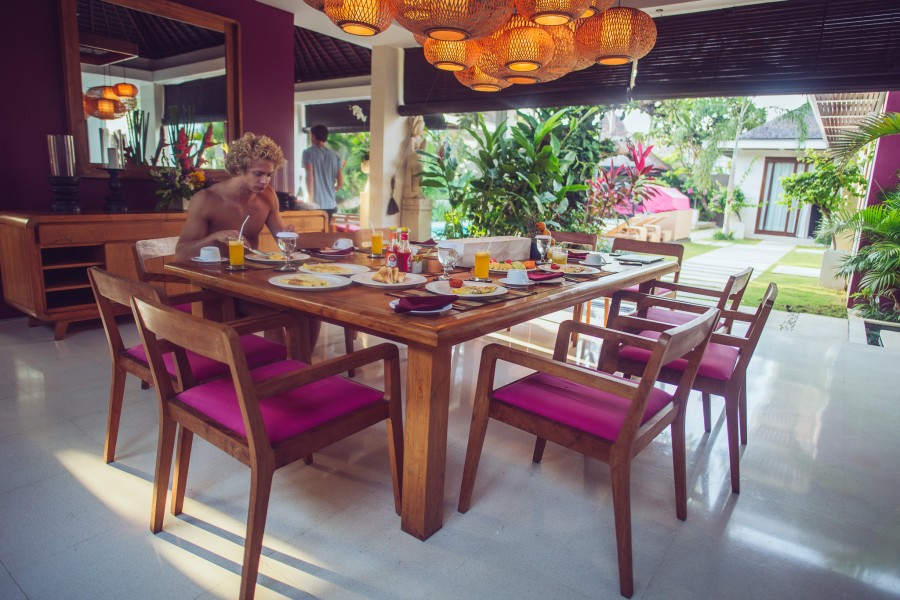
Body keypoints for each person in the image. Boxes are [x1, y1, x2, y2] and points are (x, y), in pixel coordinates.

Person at [175, 132, 294, 261]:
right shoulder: (206, 200)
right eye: (258, 174)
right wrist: (215, 237)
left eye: (269, 175)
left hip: (249, 272)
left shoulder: (268, 196)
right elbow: (181, 254)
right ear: (239, 169)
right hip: (211, 275)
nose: (265, 181)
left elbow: (286, 243)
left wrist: (290, 237)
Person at [302, 124, 343, 221]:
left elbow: (310, 178)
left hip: (316, 205)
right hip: (331, 205)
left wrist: (310, 201)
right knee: (326, 233)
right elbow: (340, 182)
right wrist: (332, 190)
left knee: (315, 234)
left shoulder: (308, 153)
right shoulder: (335, 156)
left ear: (313, 136)